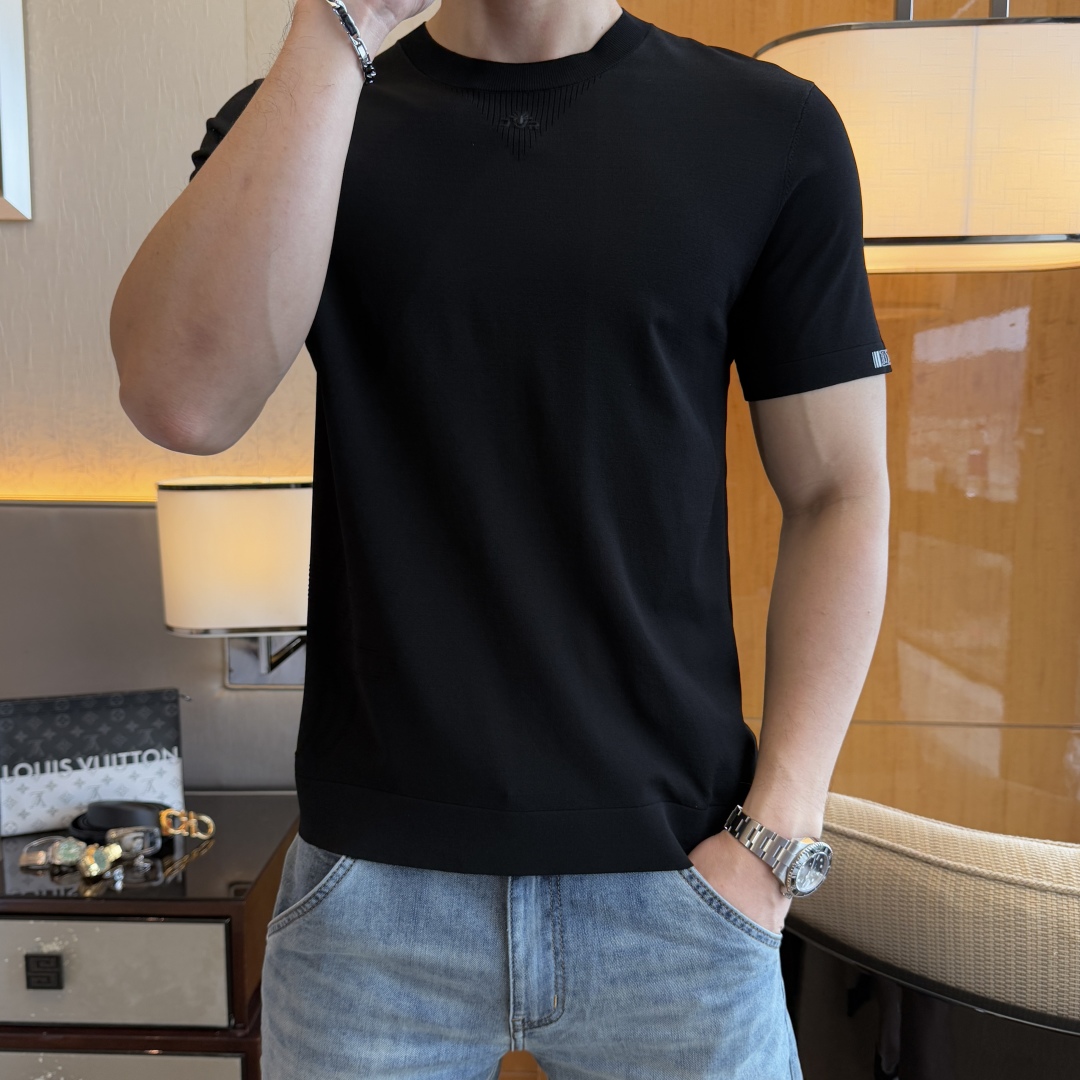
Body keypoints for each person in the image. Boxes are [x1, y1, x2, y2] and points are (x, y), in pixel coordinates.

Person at [110, 0, 891, 1076]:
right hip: (371, 909)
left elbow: (840, 491)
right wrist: (339, 24)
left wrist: (777, 836)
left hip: (679, 890)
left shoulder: (768, 128)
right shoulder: (304, 114)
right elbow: (182, 401)